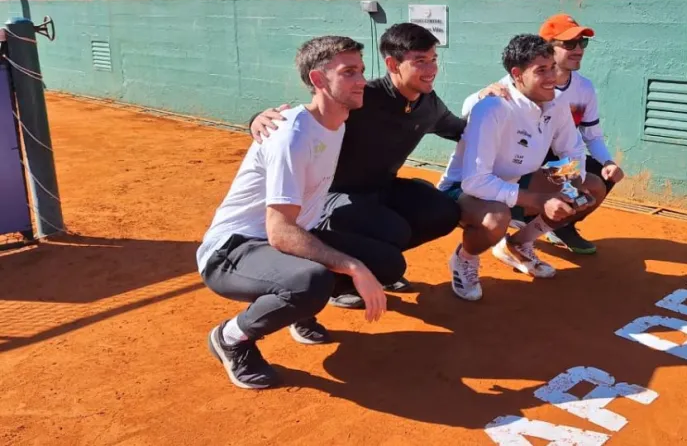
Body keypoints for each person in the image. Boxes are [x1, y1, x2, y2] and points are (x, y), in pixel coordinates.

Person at [249, 23, 507, 310]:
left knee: (443, 212)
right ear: (392, 64)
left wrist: (487, 101)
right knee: (393, 231)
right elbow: (312, 116)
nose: (431, 69)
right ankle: (340, 281)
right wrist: (257, 118)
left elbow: (463, 130)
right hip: (335, 197)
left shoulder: (428, 104)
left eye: (433, 59)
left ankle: (374, 263)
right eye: (420, 61)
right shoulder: (362, 97)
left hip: (382, 187)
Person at [198, 35, 402, 389]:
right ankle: (231, 338)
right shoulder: (291, 134)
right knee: (312, 281)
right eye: (349, 72)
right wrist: (352, 266)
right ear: (318, 79)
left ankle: (301, 307)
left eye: (361, 70)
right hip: (234, 249)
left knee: (387, 263)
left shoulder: (338, 119)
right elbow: (279, 232)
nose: (361, 81)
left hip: (290, 237)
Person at [437, 34, 607, 301]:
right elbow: (475, 181)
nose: (552, 77)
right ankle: (465, 259)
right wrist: (540, 200)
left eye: (552, 67)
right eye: (541, 70)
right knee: (497, 218)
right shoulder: (492, 107)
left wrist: (571, 187)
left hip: (517, 182)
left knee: (591, 186)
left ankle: (518, 244)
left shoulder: (557, 102)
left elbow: (572, 150)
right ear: (517, 74)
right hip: (463, 191)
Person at [508, 14, 625, 255]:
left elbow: (592, 135)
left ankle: (559, 225)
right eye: (569, 44)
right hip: (523, 164)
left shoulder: (584, 88)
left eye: (582, 43)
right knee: (576, 182)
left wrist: (608, 162)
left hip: (560, 161)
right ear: (546, 48)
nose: (579, 50)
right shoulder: (522, 85)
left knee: (601, 177)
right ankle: (519, 216)